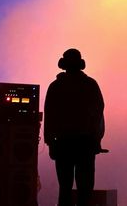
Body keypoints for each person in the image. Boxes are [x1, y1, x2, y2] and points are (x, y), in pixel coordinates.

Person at [44, 48, 105, 206]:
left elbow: (49, 116)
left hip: (63, 144)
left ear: (64, 65)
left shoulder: (56, 86)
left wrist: (50, 142)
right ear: (80, 64)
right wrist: (96, 140)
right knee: (85, 189)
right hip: (85, 144)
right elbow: (98, 113)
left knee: (65, 188)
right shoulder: (90, 84)